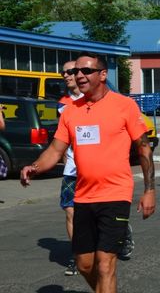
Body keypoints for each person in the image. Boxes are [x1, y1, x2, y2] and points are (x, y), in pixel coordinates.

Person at [20, 52, 156, 293]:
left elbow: (144, 147)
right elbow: (55, 149)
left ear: (103, 75)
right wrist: (35, 167)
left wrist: (149, 190)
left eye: (86, 71)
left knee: (106, 265)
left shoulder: (124, 105)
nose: (78, 75)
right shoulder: (71, 111)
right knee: (85, 264)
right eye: (75, 72)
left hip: (116, 195)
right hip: (83, 196)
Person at [57, 60, 85, 276]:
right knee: (70, 212)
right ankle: (77, 255)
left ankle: (120, 232)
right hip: (71, 170)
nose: (66, 76)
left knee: (93, 215)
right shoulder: (63, 103)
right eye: (63, 73)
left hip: (93, 170)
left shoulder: (94, 99)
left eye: (70, 72)